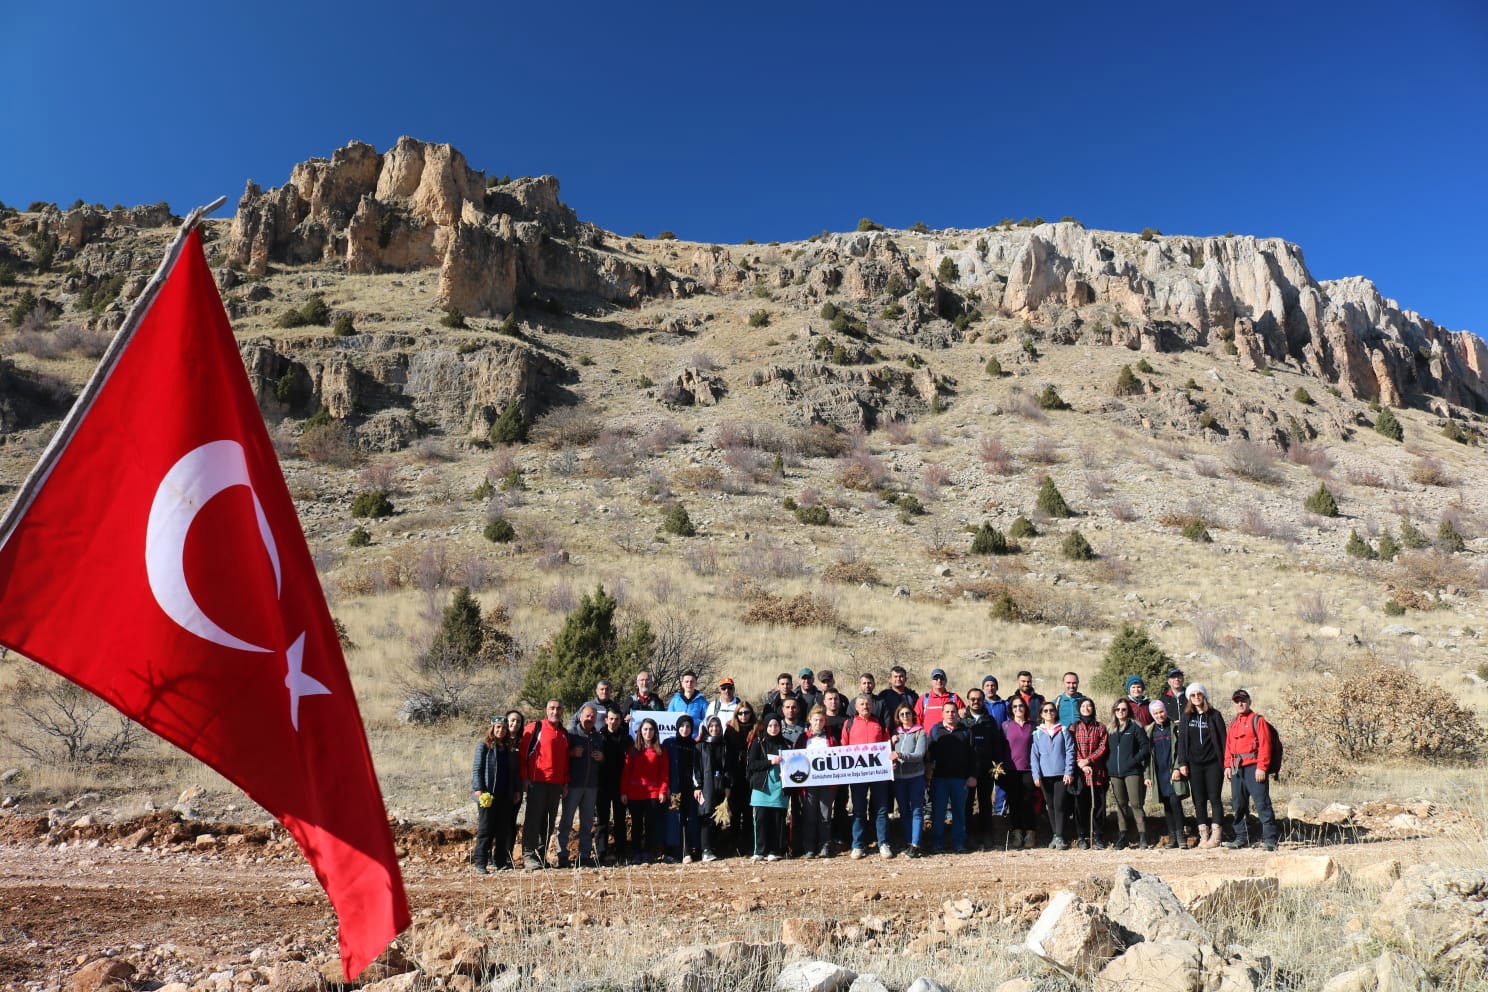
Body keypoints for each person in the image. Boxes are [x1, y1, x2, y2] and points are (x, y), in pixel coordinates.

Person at [1222, 689, 1278, 852]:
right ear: (1233, 704)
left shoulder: (1257, 720)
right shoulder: (1233, 723)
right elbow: (1229, 747)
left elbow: (1265, 745)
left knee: (1262, 804)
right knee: (1238, 804)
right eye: (1237, 701)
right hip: (1236, 768)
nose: (1240, 704)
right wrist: (1227, 765)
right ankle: (1241, 837)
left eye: (1243, 700)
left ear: (1249, 702)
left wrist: (1262, 767)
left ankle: (1270, 839)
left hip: (1254, 767)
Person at [519, 699, 570, 870]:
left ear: (562, 711)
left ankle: (541, 856)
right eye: (552, 708)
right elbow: (523, 756)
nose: (555, 712)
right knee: (533, 820)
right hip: (537, 783)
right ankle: (528, 855)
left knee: (548, 822)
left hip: (556, 785)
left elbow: (566, 761)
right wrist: (525, 778)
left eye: (558, 709)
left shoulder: (564, 733)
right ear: (546, 710)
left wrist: (565, 782)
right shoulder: (535, 728)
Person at [1176, 683, 1227, 849]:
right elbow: (1182, 742)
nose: (1196, 697)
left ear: (1204, 696)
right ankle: (1204, 835)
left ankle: (1216, 835)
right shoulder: (1186, 717)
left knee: (1214, 798)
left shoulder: (1214, 715)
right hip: (1194, 765)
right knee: (1198, 800)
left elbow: (1224, 741)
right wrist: (1182, 763)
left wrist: (1226, 764)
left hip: (1213, 764)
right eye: (1193, 695)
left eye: (1199, 694)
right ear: (1189, 698)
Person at [843, 693, 893, 859]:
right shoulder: (849, 724)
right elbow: (843, 748)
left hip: (878, 774)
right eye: (862, 704)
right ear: (856, 707)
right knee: (858, 810)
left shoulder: (879, 723)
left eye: (868, 704)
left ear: (872, 706)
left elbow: (886, 746)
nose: (865, 706)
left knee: (881, 809)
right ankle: (858, 845)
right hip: (857, 775)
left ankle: (883, 843)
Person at [471, 714, 521, 872]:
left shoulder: (508, 748)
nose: (501, 730)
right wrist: (478, 789)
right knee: (486, 829)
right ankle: (480, 862)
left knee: (502, 829)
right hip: (488, 794)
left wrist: (516, 790)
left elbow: (514, 772)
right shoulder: (484, 746)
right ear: (492, 728)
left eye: (504, 728)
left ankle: (500, 861)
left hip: (505, 794)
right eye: (498, 727)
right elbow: (477, 769)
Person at [960, 688, 1008, 848]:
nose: (976, 702)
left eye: (979, 699)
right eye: (972, 699)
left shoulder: (990, 720)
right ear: (968, 700)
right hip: (966, 769)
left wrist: (998, 763)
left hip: (986, 768)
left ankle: (987, 834)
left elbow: (997, 743)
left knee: (985, 803)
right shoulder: (962, 721)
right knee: (967, 803)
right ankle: (969, 835)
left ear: (983, 701)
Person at [557, 703, 604, 867]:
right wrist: (572, 753)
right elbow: (561, 757)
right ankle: (562, 854)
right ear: (580, 716)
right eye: (587, 716)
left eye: (593, 716)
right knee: (567, 821)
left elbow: (604, 759)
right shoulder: (570, 734)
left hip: (591, 786)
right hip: (573, 785)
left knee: (587, 822)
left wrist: (601, 757)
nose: (590, 719)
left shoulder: (598, 737)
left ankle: (584, 855)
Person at [927, 702, 975, 854]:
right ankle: (937, 843)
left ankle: (959, 843)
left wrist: (972, 775)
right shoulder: (935, 730)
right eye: (947, 712)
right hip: (939, 779)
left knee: (959, 812)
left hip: (960, 779)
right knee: (938, 812)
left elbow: (973, 755)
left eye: (953, 712)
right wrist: (928, 773)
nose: (950, 715)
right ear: (942, 714)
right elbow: (929, 753)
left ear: (958, 713)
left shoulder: (965, 731)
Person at [620, 718, 668, 863]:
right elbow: (626, 773)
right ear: (640, 731)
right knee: (636, 825)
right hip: (635, 794)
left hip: (653, 793)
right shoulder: (633, 750)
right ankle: (636, 852)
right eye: (645, 729)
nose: (648, 732)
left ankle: (647, 851)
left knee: (650, 824)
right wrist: (623, 792)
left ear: (655, 732)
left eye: (651, 729)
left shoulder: (660, 750)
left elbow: (664, 773)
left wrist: (663, 790)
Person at [1144, 699, 1189, 850]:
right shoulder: (1150, 731)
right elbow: (1147, 757)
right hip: (1159, 773)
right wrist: (1147, 776)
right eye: (1155, 713)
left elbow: (1181, 751)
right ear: (1152, 715)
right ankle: (1172, 837)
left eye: (1161, 711)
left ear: (1165, 711)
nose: (1159, 715)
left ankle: (1181, 836)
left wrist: (1177, 768)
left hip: (1173, 771)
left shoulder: (1175, 728)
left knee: (1175, 802)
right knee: (1167, 805)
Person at [1107, 698, 1151, 849]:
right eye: (1118, 709)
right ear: (1114, 711)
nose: (1121, 712)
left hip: (1132, 771)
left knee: (1136, 804)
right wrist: (1108, 765)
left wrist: (1133, 761)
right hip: (1114, 773)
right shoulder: (1110, 729)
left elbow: (1145, 748)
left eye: (1124, 709)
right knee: (1120, 805)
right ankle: (1123, 835)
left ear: (1128, 711)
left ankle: (1143, 835)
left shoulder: (1135, 727)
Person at [1030, 701, 1074, 849]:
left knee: (1059, 804)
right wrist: (1036, 775)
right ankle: (1055, 834)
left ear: (1056, 712)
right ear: (1041, 714)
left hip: (1061, 774)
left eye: (1052, 710)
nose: (1049, 713)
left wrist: (1069, 771)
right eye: (1046, 711)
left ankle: (1060, 836)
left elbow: (1070, 751)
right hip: (1044, 775)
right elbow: (1034, 756)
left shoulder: (1063, 730)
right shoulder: (1037, 733)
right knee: (1049, 805)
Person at [795, 706, 837, 858]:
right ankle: (809, 847)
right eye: (815, 720)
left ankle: (825, 845)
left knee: (825, 815)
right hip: (808, 784)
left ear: (825, 721)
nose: (818, 723)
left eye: (821, 720)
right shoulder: (803, 738)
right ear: (810, 720)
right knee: (809, 815)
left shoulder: (831, 738)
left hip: (827, 783)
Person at [747, 715, 789, 861]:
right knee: (761, 819)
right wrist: (770, 762)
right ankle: (759, 850)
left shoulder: (786, 744)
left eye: (776, 725)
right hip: (761, 787)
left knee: (777, 821)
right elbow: (752, 765)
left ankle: (774, 850)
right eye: (770, 725)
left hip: (779, 788)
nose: (773, 728)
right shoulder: (758, 742)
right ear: (765, 726)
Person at [663, 713, 703, 863]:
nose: (685, 729)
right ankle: (673, 851)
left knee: (689, 819)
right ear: (677, 727)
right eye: (682, 726)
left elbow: (697, 768)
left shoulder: (694, 745)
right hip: (674, 789)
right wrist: (665, 786)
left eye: (688, 726)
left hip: (689, 789)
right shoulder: (669, 743)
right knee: (674, 818)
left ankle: (688, 850)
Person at [890, 703, 928, 858]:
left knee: (917, 810)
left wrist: (900, 755)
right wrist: (891, 744)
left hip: (915, 777)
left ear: (913, 715)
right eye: (902, 714)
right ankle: (908, 842)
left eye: (907, 714)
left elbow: (919, 755)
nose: (905, 717)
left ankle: (916, 843)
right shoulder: (895, 734)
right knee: (904, 811)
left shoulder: (920, 733)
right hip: (899, 778)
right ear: (898, 717)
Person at [1071, 697, 1109, 849]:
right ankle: (1081, 836)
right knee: (1080, 806)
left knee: (1098, 805)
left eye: (1089, 706)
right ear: (1079, 709)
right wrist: (1081, 763)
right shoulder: (1073, 727)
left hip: (1097, 772)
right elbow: (1071, 747)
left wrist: (1089, 760)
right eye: (1083, 706)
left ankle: (1098, 835)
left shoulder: (1100, 727)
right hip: (1080, 773)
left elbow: (1103, 747)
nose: (1086, 708)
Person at [595, 708, 631, 865]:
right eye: (611, 719)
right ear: (606, 720)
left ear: (621, 720)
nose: (614, 722)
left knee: (620, 820)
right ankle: (601, 853)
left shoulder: (627, 738)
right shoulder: (599, 737)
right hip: (602, 784)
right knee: (602, 820)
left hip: (620, 785)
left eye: (617, 719)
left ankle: (621, 852)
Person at [1001, 697, 1037, 848]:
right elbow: (1001, 747)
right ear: (1011, 709)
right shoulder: (1005, 726)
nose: (1018, 709)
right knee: (1014, 803)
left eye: (1021, 706)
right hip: (1011, 770)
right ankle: (1016, 834)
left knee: (1029, 802)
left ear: (1025, 708)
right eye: (1015, 706)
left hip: (1029, 769)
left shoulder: (1033, 726)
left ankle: (1030, 834)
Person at [724, 703, 758, 856]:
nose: (744, 716)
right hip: (735, 775)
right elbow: (727, 755)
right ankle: (733, 844)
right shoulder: (730, 730)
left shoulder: (757, 729)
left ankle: (748, 844)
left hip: (752, 775)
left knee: (749, 811)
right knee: (735, 812)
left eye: (747, 712)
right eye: (740, 713)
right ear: (736, 715)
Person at [696, 715, 730, 861]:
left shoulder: (725, 745)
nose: (714, 729)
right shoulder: (700, 746)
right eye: (711, 726)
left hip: (721, 785)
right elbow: (696, 768)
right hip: (706, 786)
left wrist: (728, 785)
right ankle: (705, 849)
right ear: (706, 727)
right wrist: (697, 786)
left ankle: (715, 847)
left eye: (717, 726)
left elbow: (728, 767)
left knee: (718, 817)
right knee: (706, 816)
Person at [503, 709, 526, 852]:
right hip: (499, 788)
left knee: (511, 822)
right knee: (498, 822)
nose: (515, 723)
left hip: (515, 789)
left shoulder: (523, 742)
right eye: (512, 720)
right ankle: (494, 855)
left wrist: (518, 789)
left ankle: (507, 855)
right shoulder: (499, 740)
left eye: (518, 721)